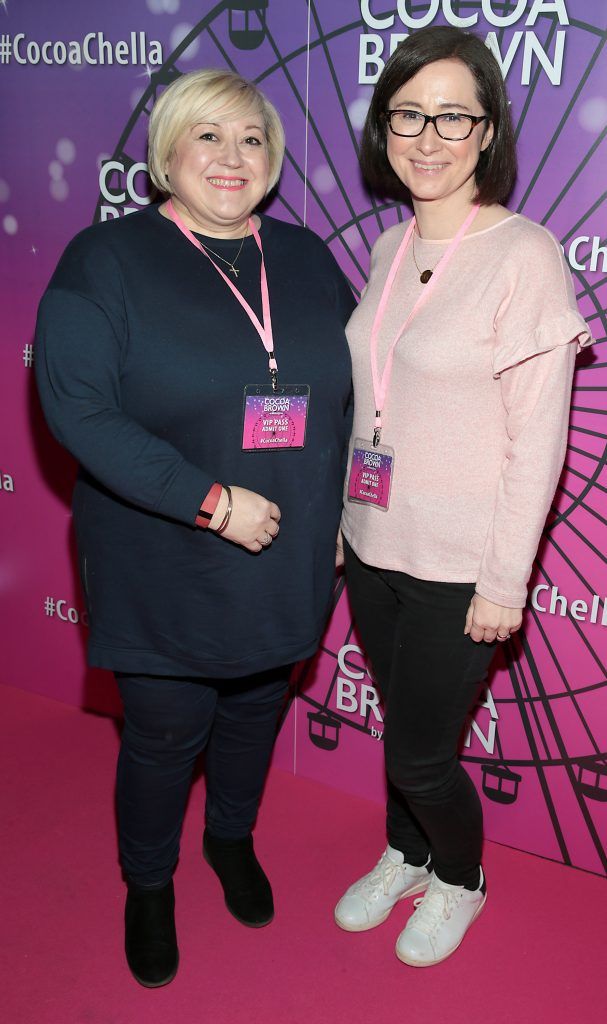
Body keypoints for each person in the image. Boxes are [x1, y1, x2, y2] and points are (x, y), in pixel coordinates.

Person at [35, 68, 354, 988]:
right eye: (206, 136)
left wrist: (345, 513)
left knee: (257, 706)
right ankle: (149, 882)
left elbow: (349, 400)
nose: (231, 156)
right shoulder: (107, 261)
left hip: (288, 544)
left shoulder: (301, 258)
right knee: (167, 729)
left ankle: (230, 838)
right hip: (162, 549)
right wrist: (212, 501)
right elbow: (80, 413)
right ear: (164, 155)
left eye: (250, 139)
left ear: (273, 161)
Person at [334, 25, 592, 967]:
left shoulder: (523, 255)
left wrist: (503, 581)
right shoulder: (385, 249)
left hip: (458, 568)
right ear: (383, 126)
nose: (427, 135)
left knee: (418, 756)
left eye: (453, 114)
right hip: (372, 545)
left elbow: (538, 444)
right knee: (401, 731)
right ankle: (404, 853)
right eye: (408, 113)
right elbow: (374, 406)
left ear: (487, 131)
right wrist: (342, 524)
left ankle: (459, 878)